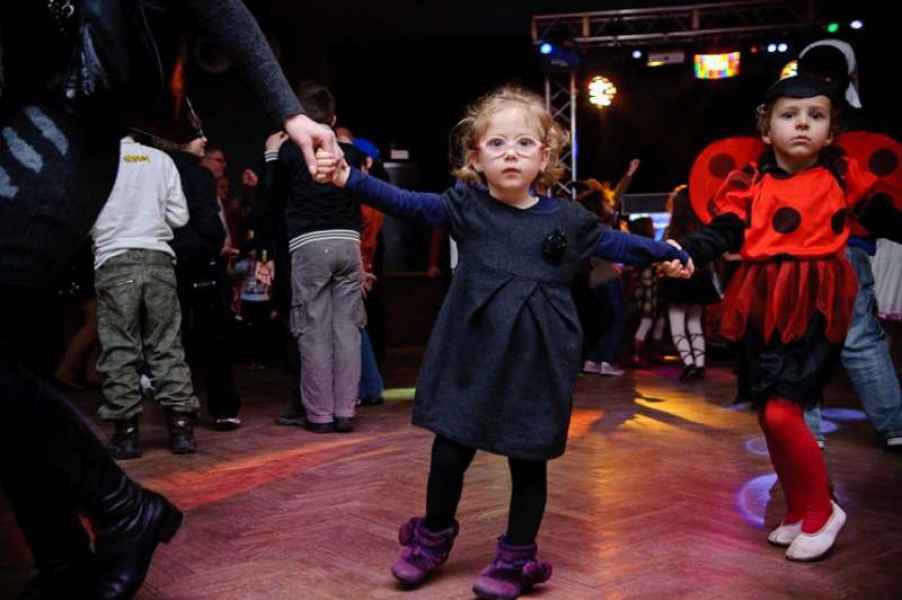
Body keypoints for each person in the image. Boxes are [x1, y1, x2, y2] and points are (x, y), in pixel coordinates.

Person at [0, 2, 341, 597]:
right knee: (20, 362)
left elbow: (217, 4)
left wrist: (290, 113)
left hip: (60, 127)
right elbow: (185, 218)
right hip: (40, 132)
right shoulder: (167, 168)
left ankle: (120, 508)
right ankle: (63, 557)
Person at [315, 84, 691, 600]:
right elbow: (407, 203)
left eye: (523, 143)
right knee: (450, 450)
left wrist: (664, 251)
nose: (510, 153)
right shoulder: (466, 206)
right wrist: (348, 177)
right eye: (497, 144)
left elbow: (615, 242)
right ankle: (432, 538)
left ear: (545, 157)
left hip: (539, 356)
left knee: (528, 458)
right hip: (472, 352)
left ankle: (516, 557)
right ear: (475, 158)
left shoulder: (569, 219)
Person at [675, 74, 902, 562]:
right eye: (789, 115)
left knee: (784, 409)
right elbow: (723, 230)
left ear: (831, 131)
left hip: (816, 298)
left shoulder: (843, 177)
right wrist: (686, 250)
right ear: (766, 129)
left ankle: (822, 511)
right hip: (760, 299)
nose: (802, 123)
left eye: (815, 116)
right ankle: (799, 507)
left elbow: (886, 217)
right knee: (769, 413)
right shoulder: (748, 182)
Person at [797, 40, 902, 452]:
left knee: (802, 338)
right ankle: (893, 426)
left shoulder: (793, 123)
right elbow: (877, 203)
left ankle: (808, 433)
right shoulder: (857, 130)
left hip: (804, 250)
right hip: (843, 247)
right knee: (860, 339)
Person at [91, 134, 201, 457]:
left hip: (114, 260)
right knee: (167, 344)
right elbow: (180, 217)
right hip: (158, 259)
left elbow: (81, 216)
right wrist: (149, 216)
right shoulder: (160, 159)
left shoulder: (97, 161)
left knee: (119, 347)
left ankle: (126, 436)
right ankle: (181, 430)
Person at [280, 82, 367, 434]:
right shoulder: (353, 153)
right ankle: (345, 411)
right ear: (332, 119)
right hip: (348, 242)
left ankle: (320, 416)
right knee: (348, 330)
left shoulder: (289, 152)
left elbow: (273, 196)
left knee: (313, 330)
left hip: (309, 244)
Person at [167, 124, 243, 431]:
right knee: (215, 337)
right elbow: (208, 222)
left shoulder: (160, 169)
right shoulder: (198, 175)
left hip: (168, 261)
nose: (204, 139)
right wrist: (216, 242)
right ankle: (224, 409)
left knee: (173, 340)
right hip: (202, 262)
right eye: (198, 134)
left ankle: (179, 410)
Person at [578, 159, 640, 376]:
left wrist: (628, 175)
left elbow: (616, 197)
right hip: (607, 276)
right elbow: (616, 198)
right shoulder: (601, 227)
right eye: (605, 200)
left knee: (607, 320)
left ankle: (593, 360)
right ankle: (606, 361)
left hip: (595, 278)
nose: (610, 204)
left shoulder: (587, 225)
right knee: (618, 318)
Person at [660, 185, 722, 380]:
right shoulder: (701, 228)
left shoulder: (672, 231)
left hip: (677, 280)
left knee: (677, 323)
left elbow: (663, 255)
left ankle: (689, 363)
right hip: (700, 279)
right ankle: (700, 365)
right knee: (695, 322)